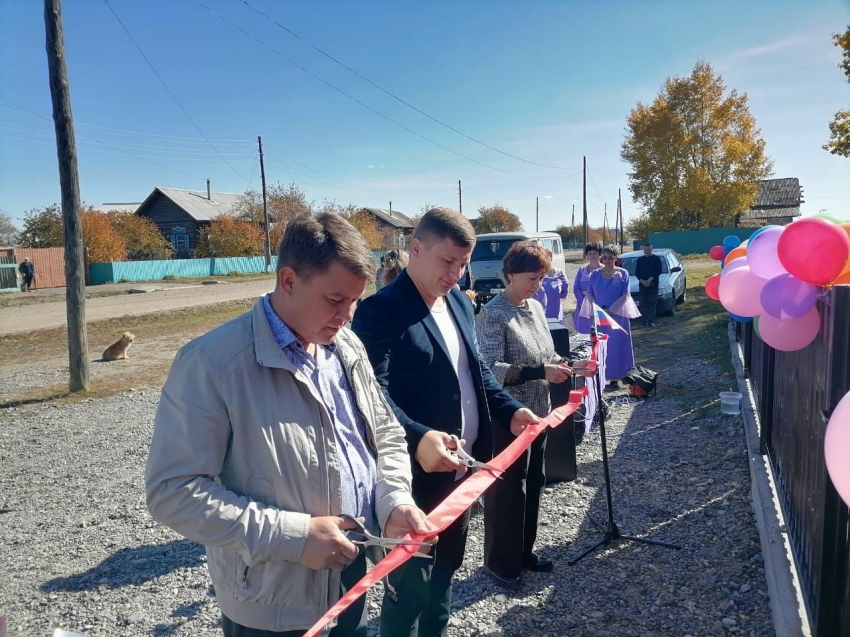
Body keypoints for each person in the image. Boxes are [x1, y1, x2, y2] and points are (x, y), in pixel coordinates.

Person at [145, 212, 428, 637]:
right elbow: (172, 492)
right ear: (289, 281)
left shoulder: (344, 344)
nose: (349, 315)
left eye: (355, 300)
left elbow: (383, 434)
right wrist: (295, 537)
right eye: (336, 300)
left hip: (353, 581)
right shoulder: (211, 363)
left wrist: (393, 501)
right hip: (273, 608)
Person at [352, 207, 538, 637]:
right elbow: (372, 396)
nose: (456, 274)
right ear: (415, 249)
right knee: (409, 589)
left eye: (463, 264)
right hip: (413, 483)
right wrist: (418, 438)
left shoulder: (456, 300)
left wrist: (510, 410)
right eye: (447, 262)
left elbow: (477, 373)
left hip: (462, 476)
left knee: (445, 578)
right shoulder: (380, 311)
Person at [476, 241, 595, 590]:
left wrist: (570, 366)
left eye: (542, 278)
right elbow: (490, 369)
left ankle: (524, 552)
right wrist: (539, 372)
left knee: (534, 484)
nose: (537, 286)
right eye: (531, 278)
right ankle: (500, 561)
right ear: (509, 274)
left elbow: (547, 355)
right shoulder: (494, 314)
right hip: (508, 417)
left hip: (539, 415)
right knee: (507, 491)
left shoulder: (536, 308)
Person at [583, 245, 639, 384]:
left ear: (616, 258)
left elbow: (626, 295)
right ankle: (600, 377)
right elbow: (589, 293)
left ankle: (619, 377)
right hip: (599, 317)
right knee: (600, 346)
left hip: (618, 316)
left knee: (617, 346)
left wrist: (612, 310)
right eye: (605, 257)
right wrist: (597, 308)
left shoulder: (623, 273)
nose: (607, 260)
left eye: (610, 257)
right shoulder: (595, 274)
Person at [531, 249, 569, 322]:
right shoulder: (536, 274)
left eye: (547, 257)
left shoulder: (559, 273)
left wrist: (554, 296)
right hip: (540, 312)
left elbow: (565, 291)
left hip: (555, 310)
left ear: (551, 258)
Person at [572, 242, 602, 334]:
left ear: (600, 254)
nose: (592, 256)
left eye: (595, 253)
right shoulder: (582, 270)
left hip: (600, 307)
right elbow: (576, 288)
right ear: (587, 256)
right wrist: (583, 304)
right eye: (590, 253)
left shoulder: (604, 270)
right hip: (583, 308)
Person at [635, 242, 663, 328]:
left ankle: (650, 321)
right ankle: (643, 322)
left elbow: (658, 271)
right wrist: (642, 281)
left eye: (648, 249)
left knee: (652, 303)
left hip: (653, 284)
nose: (647, 251)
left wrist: (650, 279)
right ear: (643, 250)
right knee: (642, 304)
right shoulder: (640, 260)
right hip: (642, 284)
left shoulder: (656, 259)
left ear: (651, 250)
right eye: (645, 250)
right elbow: (637, 272)